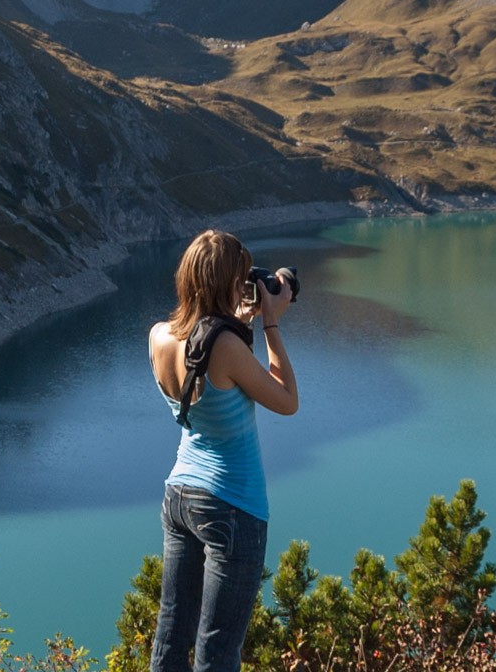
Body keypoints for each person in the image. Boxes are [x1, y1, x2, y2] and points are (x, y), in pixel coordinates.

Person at [146, 229, 298, 672]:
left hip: (179, 496)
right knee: (217, 651)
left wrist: (238, 318)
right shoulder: (228, 348)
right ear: (228, 284)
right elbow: (287, 401)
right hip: (232, 506)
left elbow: (204, 362)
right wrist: (270, 322)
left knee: (171, 637)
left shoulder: (158, 337)